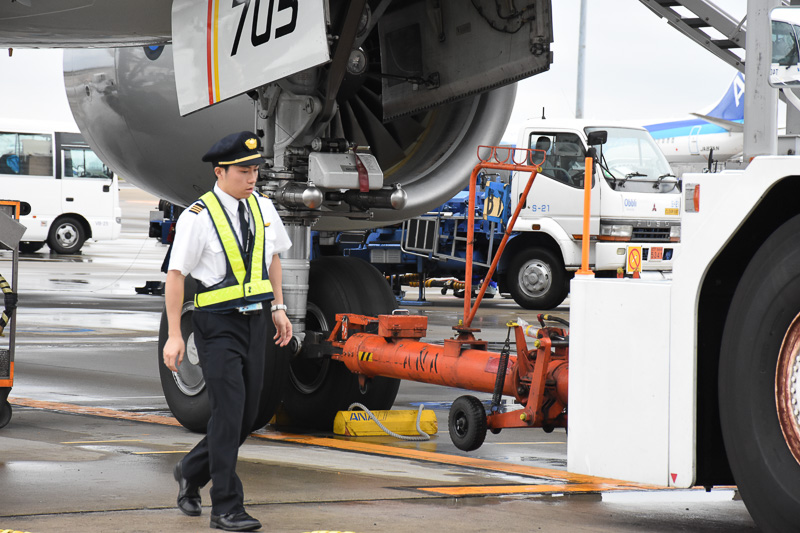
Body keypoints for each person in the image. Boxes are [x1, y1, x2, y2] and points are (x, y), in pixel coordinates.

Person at [162, 131, 292, 532]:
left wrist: (280, 308)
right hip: (216, 324)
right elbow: (176, 275)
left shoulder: (264, 207)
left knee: (247, 416)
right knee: (230, 410)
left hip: (256, 320)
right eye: (243, 170)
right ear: (220, 172)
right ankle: (226, 507)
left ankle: (190, 468)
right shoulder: (197, 217)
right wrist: (174, 335)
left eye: (255, 170)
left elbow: (272, 258)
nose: (252, 177)